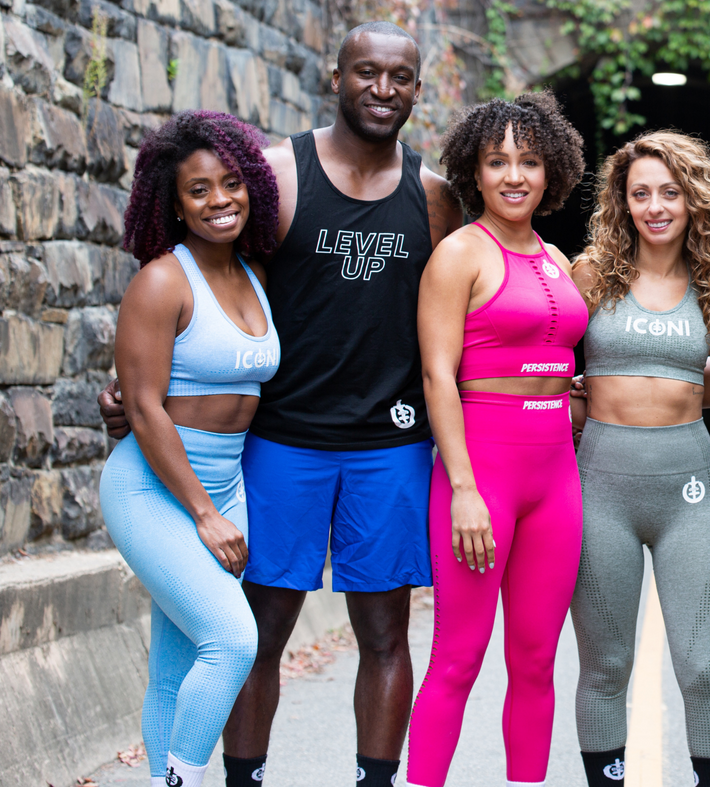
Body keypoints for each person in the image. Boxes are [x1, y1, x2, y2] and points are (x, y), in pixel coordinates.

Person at [101, 22, 463, 787]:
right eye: (366, 73)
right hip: (279, 444)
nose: (382, 89)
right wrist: (138, 394)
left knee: (385, 633)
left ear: (417, 90)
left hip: (390, 443)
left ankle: (374, 779)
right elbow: (212, 283)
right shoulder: (274, 175)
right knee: (258, 632)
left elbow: (456, 314)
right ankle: (242, 776)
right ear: (336, 76)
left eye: (400, 78)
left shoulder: (433, 195)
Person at [568, 131, 710, 787]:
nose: (655, 205)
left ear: (693, 200)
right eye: (640, 192)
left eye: (669, 192)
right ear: (622, 202)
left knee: (705, 665)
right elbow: (544, 368)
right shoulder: (591, 273)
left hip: (691, 495)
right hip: (600, 489)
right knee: (605, 664)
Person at [406, 91, 587, 787]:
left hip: (556, 476)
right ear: (473, 172)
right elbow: (437, 373)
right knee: (458, 655)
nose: (515, 175)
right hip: (482, 472)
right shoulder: (459, 255)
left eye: (530, 161)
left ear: (552, 172)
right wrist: (462, 489)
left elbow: (559, 356)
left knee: (538, 658)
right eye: (498, 161)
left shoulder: (556, 257)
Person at [101, 110, 280, 787]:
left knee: (177, 667)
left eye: (230, 183)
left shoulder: (255, 273)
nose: (218, 200)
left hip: (223, 481)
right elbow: (143, 406)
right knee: (233, 641)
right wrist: (205, 512)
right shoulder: (161, 281)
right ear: (173, 203)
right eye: (198, 190)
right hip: (154, 487)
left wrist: (218, 502)